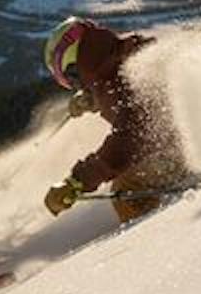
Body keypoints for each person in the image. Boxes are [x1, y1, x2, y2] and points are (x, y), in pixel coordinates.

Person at [40, 16, 191, 225]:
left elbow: (130, 135)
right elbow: (130, 99)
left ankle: (169, 235)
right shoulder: (121, 55)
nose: (77, 85)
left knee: (127, 190)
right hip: (186, 131)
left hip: (184, 146)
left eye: (72, 79)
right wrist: (93, 99)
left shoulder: (114, 80)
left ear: (73, 65)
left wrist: (78, 181)